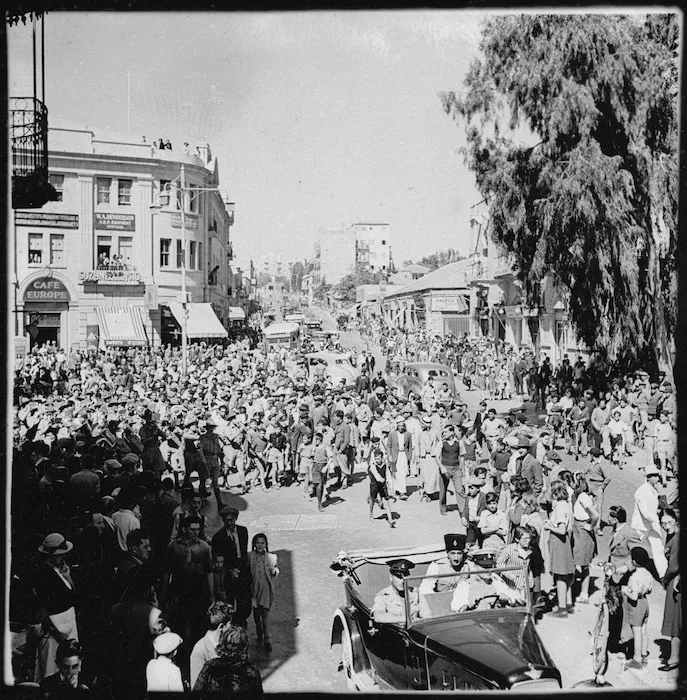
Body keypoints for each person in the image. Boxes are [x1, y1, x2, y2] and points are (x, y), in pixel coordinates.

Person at [34, 533, 79, 682]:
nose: (64, 556)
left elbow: (72, 594)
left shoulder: (60, 568)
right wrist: (54, 630)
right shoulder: (42, 574)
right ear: (50, 555)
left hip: (68, 625)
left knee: (70, 666)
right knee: (52, 667)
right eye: (60, 554)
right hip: (55, 628)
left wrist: (67, 576)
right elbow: (40, 606)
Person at [193, 625, 263, 696]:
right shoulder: (252, 672)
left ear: (223, 644)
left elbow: (196, 694)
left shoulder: (210, 668)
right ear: (245, 647)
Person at [212, 505, 251, 627]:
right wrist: (230, 569)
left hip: (243, 571)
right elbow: (217, 559)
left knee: (244, 602)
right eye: (227, 520)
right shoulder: (218, 537)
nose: (229, 523)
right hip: (228, 574)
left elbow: (244, 552)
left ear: (236, 519)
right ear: (223, 520)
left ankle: (241, 622)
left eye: (232, 519)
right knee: (229, 602)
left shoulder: (243, 531)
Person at [543, 480, 574, 618]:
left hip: (559, 542)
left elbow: (561, 530)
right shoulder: (567, 504)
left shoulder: (560, 507)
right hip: (565, 541)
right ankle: (568, 603)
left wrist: (549, 526)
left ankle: (562, 609)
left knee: (560, 575)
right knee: (566, 574)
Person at [620, 547, 654, 670]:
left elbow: (633, 597)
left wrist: (625, 590)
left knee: (637, 632)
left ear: (634, 561)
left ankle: (637, 659)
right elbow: (649, 590)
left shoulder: (634, 577)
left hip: (636, 605)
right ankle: (644, 655)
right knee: (644, 631)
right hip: (645, 602)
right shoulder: (648, 574)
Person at [630, 467, 667, 578]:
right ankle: (626, 569)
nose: (657, 478)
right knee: (631, 547)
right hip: (641, 525)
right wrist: (658, 520)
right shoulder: (641, 491)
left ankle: (663, 575)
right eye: (654, 476)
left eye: (657, 475)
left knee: (658, 548)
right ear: (648, 477)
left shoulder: (654, 490)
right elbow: (644, 511)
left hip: (652, 525)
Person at [190, 601, 235, 688]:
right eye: (230, 624)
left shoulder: (228, 644)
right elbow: (196, 688)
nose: (232, 628)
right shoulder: (200, 651)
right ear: (221, 627)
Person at [248, 533, 279, 652]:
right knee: (256, 614)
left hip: (265, 588)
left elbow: (276, 569)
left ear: (266, 544)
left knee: (265, 615)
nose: (260, 545)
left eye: (262, 543)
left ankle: (267, 640)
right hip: (254, 589)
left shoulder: (271, 557)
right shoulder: (250, 556)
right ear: (254, 544)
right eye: (257, 542)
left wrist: (274, 571)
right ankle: (258, 629)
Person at [571, 473, 599, 604]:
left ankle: (584, 592)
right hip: (577, 529)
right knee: (578, 560)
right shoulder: (578, 495)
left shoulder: (583, 497)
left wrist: (590, 527)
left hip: (583, 531)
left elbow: (595, 515)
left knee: (584, 563)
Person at [659, 508, 680, 672]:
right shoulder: (672, 535)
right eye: (663, 523)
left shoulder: (677, 538)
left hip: (677, 582)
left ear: (675, 519)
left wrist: (665, 580)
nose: (666, 526)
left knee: (675, 620)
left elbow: (673, 566)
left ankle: (674, 659)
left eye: (669, 522)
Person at [435, 424, 466, 523]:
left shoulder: (459, 443)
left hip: (456, 469)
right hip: (445, 468)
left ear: (452, 432)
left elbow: (461, 456)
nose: (444, 434)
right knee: (443, 489)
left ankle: (462, 511)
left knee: (459, 489)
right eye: (443, 432)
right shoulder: (441, 443)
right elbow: (436, 457)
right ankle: (443, 507)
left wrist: (462, 469)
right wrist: (442, 467)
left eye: (446, 432)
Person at [372, 559, 420, 624]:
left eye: (405, 576)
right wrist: (407, 619)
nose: (402, 581)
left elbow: (427, 614)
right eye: (398, 576)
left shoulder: (415, 593)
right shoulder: (384, 595)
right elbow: (378, 616)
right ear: (391, 577)